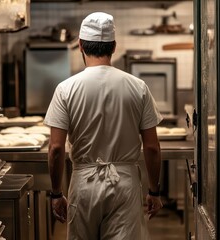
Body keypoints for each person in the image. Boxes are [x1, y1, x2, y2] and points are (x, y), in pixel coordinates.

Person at [44, 11, 163, 240]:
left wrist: (56, 193)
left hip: (84, 183)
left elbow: (56, 148)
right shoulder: (138, 87)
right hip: (124, 183)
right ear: (114, 46)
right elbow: (152, 147)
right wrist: (154, 191)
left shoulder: (66, 89)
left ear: (80, 45)